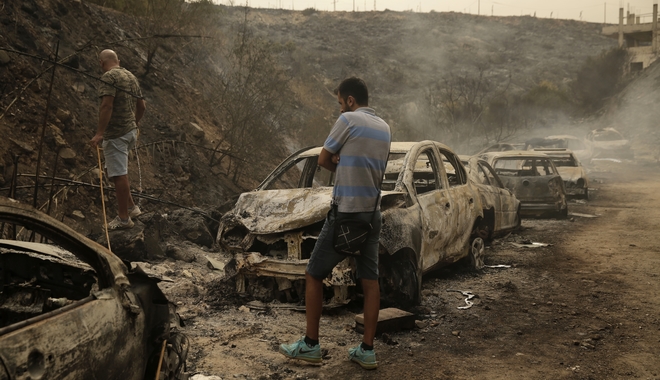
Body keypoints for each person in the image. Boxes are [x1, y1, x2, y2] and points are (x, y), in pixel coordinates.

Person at [279, 77, 391, 370]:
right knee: (370, 281)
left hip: (346, 213)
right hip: (372, 214)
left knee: (314, 273)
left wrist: (339, 161)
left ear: (350, 101)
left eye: (340, 103)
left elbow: (323, 160)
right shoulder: (385, 128)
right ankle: (367, 350)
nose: (340, 109)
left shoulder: (348, 121)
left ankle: (311, 346)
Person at [90, 49, 146, 230]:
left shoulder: (109, 78)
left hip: (116, 134)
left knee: (119, 174)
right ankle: (131, 208)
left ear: (101, 62)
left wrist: (99, 133)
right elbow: (142, 105)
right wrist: (134, 122)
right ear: (118, 60)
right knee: (114, 172)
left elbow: (107, 105)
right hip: (129, 131)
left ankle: (123, 219)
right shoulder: (130, 76)